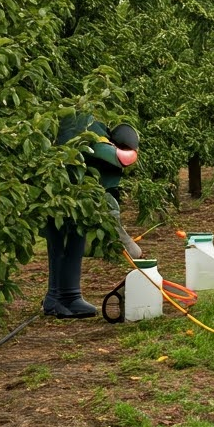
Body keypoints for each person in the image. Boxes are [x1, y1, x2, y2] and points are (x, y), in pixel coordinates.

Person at [43, 114, 142, 319]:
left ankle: (61, 296)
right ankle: (63, 297)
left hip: (64, 192)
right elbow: (117, 157)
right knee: (67, 241)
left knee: (65, 240)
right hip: (68, 193)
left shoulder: (71, 120)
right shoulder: (85, 123)